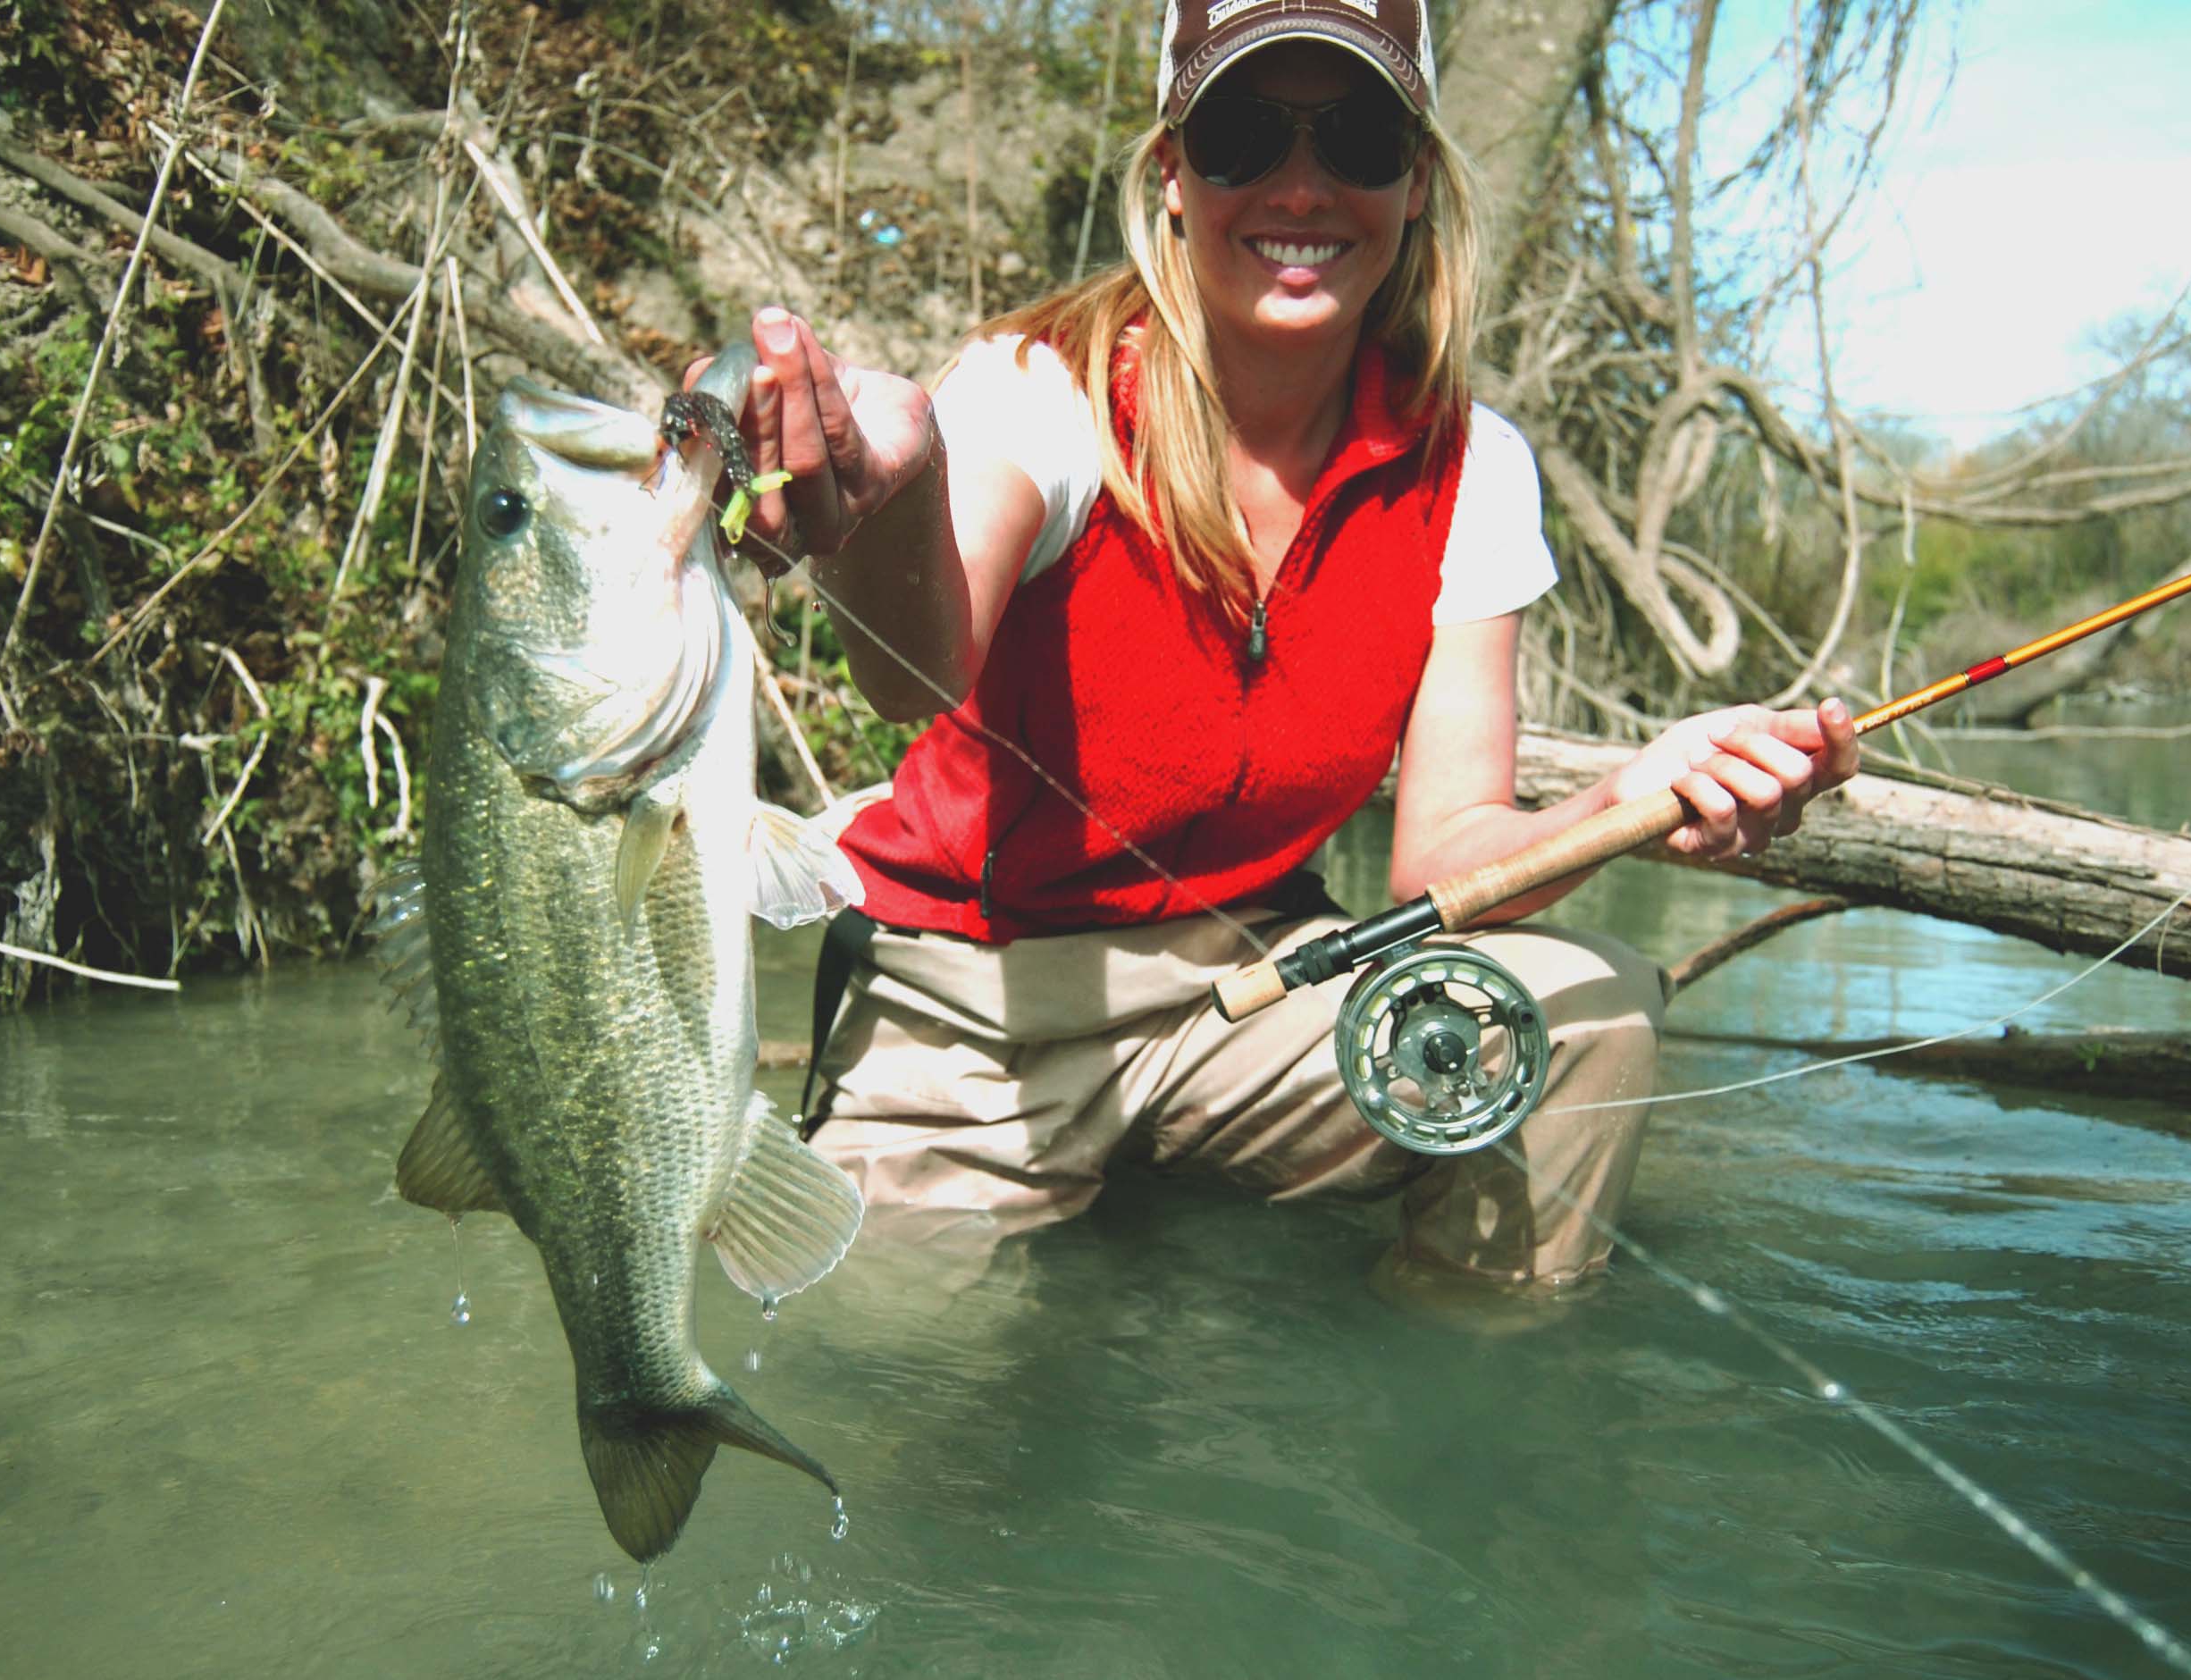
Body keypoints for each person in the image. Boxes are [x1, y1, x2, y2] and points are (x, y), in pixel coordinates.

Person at [700, 0, 1859, 1297]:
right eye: (1245, 134)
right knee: (906, 1408)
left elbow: (1442, 856)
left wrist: (1626, 800)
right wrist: (895, 496)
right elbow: (911, 671)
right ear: (1172, 175)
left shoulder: (1474, 471)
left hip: (1252, 985)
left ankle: (1453, 1436)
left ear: (1415, 179)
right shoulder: (1038, 393)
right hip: (970, 1013)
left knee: (1583, 1009)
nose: (1302, 186)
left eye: (1357, 137)